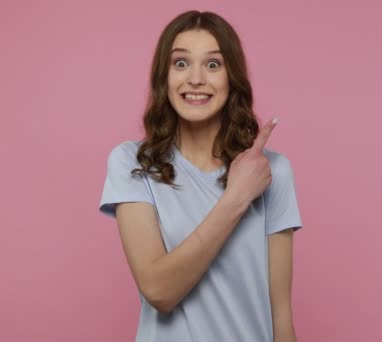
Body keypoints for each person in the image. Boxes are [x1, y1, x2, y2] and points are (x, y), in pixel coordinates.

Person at [98, 10, 303, 342]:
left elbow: (281, 317)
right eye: (180, 63)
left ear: (231, 77)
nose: (195, 79)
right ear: (163, 77)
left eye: (213, 64)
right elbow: (159, 290)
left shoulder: (273, 171)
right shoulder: (133, 164)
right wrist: (236, 197)